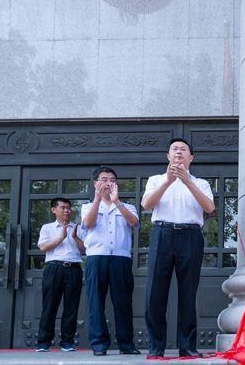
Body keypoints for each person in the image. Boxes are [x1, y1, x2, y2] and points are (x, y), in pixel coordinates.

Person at [142, 138, 215, 359]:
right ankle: (156, 347)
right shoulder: (156, 180)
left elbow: (209, 207)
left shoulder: (201, 183)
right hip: (162, 234)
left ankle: (188, 347)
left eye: (184, 149)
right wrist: (169, 180)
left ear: (191, 158)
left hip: (191, 236)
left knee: (187, 293)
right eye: (175, 149)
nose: (179, 152)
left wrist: (186, 181)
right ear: (168, 156)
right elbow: (146, 205)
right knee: (155, 293)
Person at [81, 166, 140, 356]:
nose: (108, 183)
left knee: (123, 302)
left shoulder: (127, 206)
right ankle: (99, 344)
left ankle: (126, 344)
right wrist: (98, 199)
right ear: (95, 183)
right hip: (96, 258)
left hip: (120, 259)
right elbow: (88, 224)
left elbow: (133, 223)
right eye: (104, 179)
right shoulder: (87, 206)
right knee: (95, 302)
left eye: (112, 180)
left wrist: (117, 202)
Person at [35, 198, 85, 352]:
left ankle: (67, 342)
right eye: (63, 207)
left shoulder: (77, 227)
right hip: (54, 268)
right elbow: (43, 247)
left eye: (69, 208)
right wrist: (61, 237)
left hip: (74, 269)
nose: (66, 211)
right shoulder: (47, 228)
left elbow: (85, 249)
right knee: (49, 306)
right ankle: (44, 342)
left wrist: (75, 237)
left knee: (71, 307)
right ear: (53, 210)